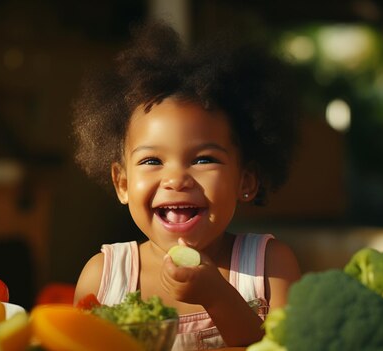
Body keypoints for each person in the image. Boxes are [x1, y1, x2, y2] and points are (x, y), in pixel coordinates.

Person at [72, 21, 301, 350]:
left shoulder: (270, 267)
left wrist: (218, 297)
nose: (176, 179)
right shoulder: (103, 277)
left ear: (245, 180)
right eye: (152, 161)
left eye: (204, 159)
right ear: (122, 184)